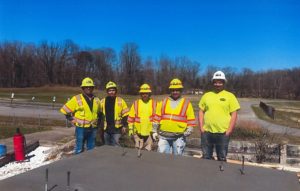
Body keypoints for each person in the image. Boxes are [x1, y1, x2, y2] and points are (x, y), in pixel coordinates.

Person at [198, 71, 240, 161]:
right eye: (216, 82)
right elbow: (201, 111)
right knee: (206, 157)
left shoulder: (230, 96)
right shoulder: (206, 95)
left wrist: (229, 130)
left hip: (223, 133)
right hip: (207, 132)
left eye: (220, 82)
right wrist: (201, 127)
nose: (218, 84)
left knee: (221, 158)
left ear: (224, 83)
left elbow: (234, 114)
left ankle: (221, 175)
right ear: (213, 82)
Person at [153, 78, 196, 155]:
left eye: (177, 90)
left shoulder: (186, 103)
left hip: (178, 137)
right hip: (163, 136)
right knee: (161, 159)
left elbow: (191, 119)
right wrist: (154, 131)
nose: (175, 92)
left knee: (177, 160)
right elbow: (156, 118)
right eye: (173, 90)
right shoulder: (163, 102)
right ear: (170, 90)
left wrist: (189, 129)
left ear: (181, 90)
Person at [60, 77, 102, 154]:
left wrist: (98, 123)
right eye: (86, 87)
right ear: (83, 88)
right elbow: (64, 110)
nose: (88, 88)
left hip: (93, 128)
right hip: (81, 128)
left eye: (90, 87)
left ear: (93, 88)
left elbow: (100, 113)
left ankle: (89, 164)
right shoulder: (77, 98)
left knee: (91, 148)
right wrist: (71, 119)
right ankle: (78, 164)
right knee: (79, 148)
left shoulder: (97, 100)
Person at [127, 84, 157, 151]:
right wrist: (131, 129)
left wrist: (155, 131)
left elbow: (157, 118)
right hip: (138, 133)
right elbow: (131, 118)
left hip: (150, 133)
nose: (144, 95)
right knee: (137, 151)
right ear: (140, 94)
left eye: (146, 93)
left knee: (148, 152)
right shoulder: (136, 103)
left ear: (149, 93)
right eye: (143, 93)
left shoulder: (154, 103)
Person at [100, 81, 129, 146]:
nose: (111, 92)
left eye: (113, 90)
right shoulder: (102, 101)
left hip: (117, 129)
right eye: (110, 90)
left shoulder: (121, 101)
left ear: (116, 91)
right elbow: (99, 115)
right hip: (106, 129)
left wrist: (124, 125)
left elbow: (126, 114)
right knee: (106, 147)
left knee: (116, 146)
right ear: (107, 91)